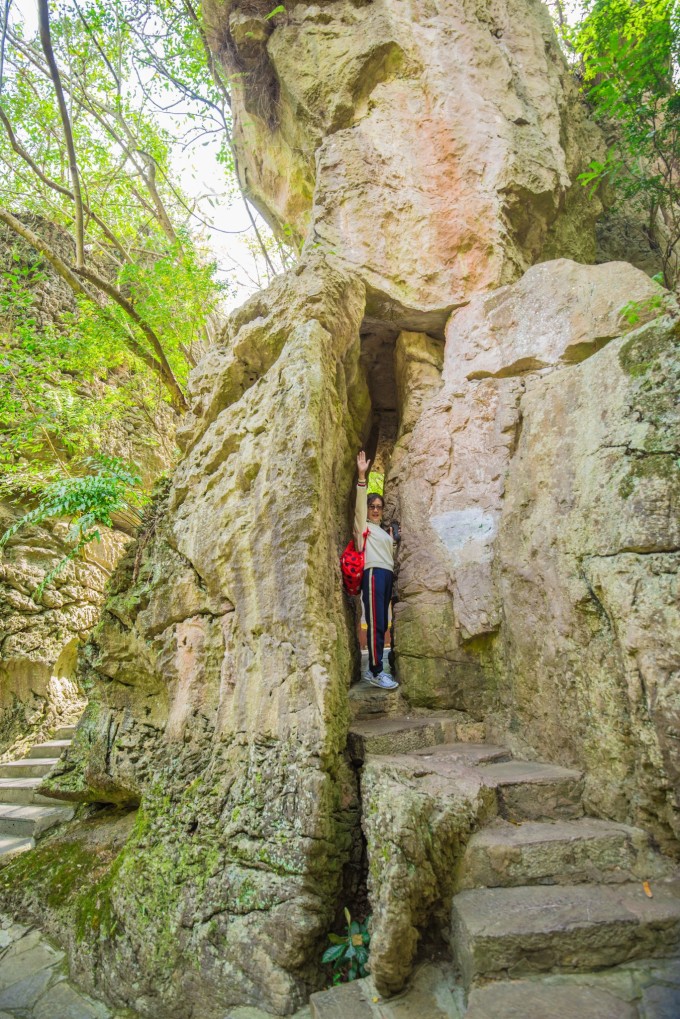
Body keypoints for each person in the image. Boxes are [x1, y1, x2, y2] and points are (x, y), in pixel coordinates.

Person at [355, 450, 399, 690]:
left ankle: (377, 668)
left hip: (386, 574)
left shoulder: (381, 531)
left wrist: (391, 541)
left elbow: (388, 552)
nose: (374, 510)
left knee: (382, 622)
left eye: (378, 507)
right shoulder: (364, 526)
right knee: (376, 622)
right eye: (372, 506)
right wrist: (362, 476)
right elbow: (359, 509)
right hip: (372, 574)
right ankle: (374, 670)